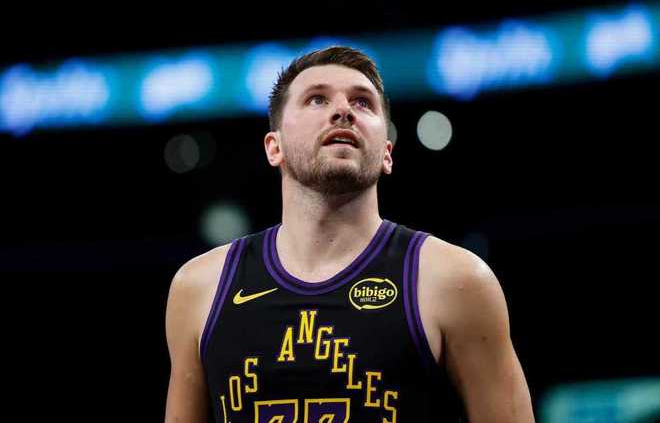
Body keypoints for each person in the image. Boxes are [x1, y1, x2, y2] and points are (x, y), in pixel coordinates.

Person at [164, 46, 535, 422]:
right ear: (275, 147)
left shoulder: (457, 281)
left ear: (387, 153)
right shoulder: (199, 287)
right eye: (317, 99)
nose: (343, 110)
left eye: (362, 102)